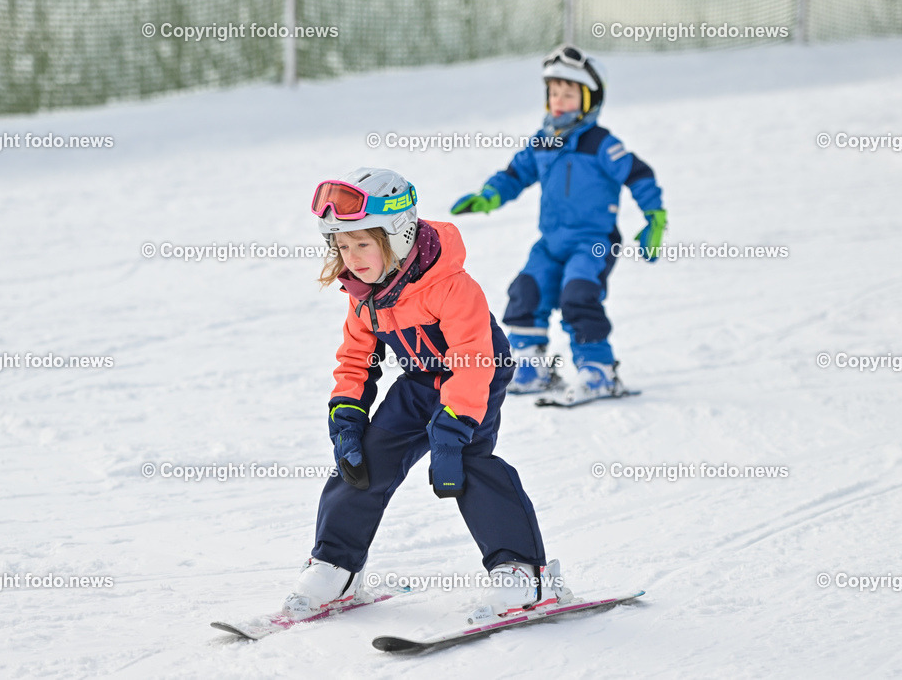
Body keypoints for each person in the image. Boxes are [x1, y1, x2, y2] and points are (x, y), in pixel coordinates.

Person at [283, 167, 567, 620]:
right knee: (364, 463)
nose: (351, 257)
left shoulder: (451, 285)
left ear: (397, 237)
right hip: (419, 382)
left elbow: (474, 358)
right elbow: (356, 359)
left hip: (476, 376)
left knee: (467, 461)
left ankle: (523, 573)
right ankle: (337, 564)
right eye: (341, 245)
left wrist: (454, 426)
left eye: (362, 243)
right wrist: (348, 416)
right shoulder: (365, 295)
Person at [451, 45, 667, 403]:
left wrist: (654, 217)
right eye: (554, 92)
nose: (559, 100)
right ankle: (532, 367)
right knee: (526, 291)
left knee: (578, 297)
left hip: (593, 242)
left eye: (569, 93)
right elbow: (516, 173)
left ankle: (599, 372)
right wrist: (490, 195)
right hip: (551, 242)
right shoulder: (543, 141)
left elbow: (639, 175)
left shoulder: (601, 144)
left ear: (589, 100)